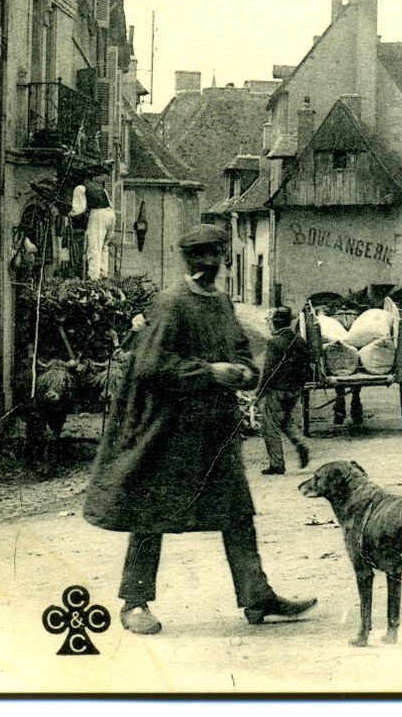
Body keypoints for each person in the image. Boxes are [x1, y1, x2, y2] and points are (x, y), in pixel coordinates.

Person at [83, 224, 315, 635]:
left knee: (237, 513)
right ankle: (134, 603)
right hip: (169, 431)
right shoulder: (170, 304)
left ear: (224, 258)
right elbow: (151, 366)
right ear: (188, 259)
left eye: (216, 255)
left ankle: (257, 597)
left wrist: (245, 373)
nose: (210, 263)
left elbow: (242, 352)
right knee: (151, 514)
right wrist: (209, 372)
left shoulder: (223, 304)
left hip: (215, 430)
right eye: (201, 256)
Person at [257, 306, 312, 475]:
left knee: (269, 425)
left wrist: (260, 392)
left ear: (275, 323)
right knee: (285, 419)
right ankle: (301, 444)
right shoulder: (299, 340)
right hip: (294, 390)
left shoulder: (274, 343)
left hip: (278, 390)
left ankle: (277, 464)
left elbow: (269, 370)